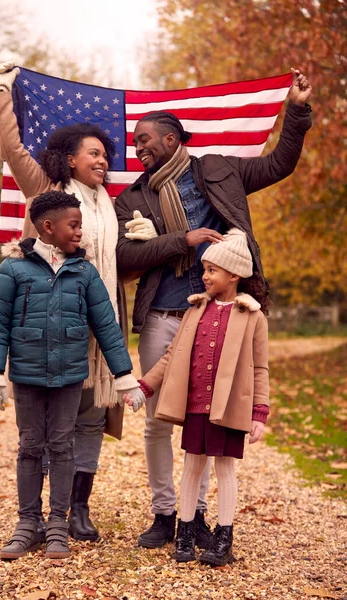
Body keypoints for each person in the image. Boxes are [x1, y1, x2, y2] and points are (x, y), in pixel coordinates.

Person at [114, 68, 312, 548]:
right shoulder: (133, 197)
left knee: (206, 420)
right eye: (135, 142)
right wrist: (181, 239)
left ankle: (195, 516)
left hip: (216, 316)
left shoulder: (220, 169)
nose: (138, 147)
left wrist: (298, 111)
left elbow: (278, 165)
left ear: (172, 138)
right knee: (161, 420)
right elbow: (125, 258)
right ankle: (165, 514)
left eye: (145, 139)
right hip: (163, 317)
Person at [0, 62, 129, 543]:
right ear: (69, 159)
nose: (103, 160)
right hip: (50, 325)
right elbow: (11, 146)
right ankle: (39, 515)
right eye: (94, 153)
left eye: (106, 155)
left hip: (99, 317)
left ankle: (77, 510)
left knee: (89, 417)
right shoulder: (46, 192)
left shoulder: (114, 206)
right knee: (46, 424)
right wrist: (2, 90)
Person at [0, 191, 142, 559]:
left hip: (70, 375)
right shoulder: (14, 269)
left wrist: (124, 377)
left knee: (62, 446)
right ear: (48, 228)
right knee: (30, 447)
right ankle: (27, 524)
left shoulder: (84, 272)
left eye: (82, 226)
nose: (80, 234)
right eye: (74, 226)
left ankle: (57, 525)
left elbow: (107, 327)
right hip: (26, 375)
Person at [123, 228, 269, 565]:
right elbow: (170, 356)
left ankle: (223, 540)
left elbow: (260, 368)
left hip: (228, 408)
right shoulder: (195, 311)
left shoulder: (252, 316)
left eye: (211, 270)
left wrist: (259, 412)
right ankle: (185, 536)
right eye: (204, 270)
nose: (203, 276)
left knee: (225, 469)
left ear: (234, 274)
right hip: (195, 406)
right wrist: (146, 386)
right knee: (191, 467)